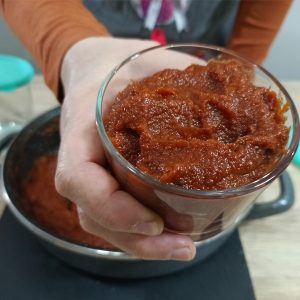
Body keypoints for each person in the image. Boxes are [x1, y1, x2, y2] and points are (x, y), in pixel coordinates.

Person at [0, 0, 292, 261]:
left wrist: (239, 76)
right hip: (104, 67)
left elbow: (242, 68)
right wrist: (74, 47)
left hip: (206, 69)